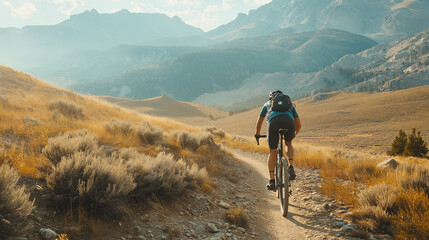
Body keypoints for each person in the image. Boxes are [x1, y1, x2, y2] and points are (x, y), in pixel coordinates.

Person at [255, 90, 301, 191]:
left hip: (274, 124)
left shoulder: (267, 104)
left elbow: (260, 121)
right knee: (288, 144)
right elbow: (298, 124)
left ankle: (272, 181)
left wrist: (257, 134)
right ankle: (291, 166)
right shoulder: (289, 105)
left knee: (273, 151)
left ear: (271, 98)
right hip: (289, 123)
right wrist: (293, 134)